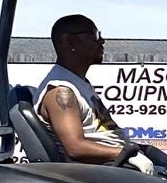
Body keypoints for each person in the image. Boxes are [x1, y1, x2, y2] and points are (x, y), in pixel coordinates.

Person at [36, 14, 126, 164]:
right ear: (69, 41)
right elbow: (75, 148)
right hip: (104, 170)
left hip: (117, 162)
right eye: (94, 35)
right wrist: (126, 153)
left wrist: (142, 149)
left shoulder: (80, 84)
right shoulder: (61, 91)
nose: (102, 41)